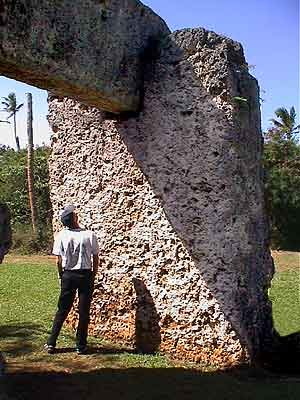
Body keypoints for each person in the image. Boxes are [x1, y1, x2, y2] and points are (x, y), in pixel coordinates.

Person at [45, 205, 99, 355]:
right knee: (84, 312)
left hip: (68, 275)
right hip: (85, 275)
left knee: (62, 309)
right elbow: (95, 257)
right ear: (74, 219)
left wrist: (61, 275)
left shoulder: (61, 236)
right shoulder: (89, 234)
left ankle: (51, 343)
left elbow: (58, 260)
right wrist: (93, 274)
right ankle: (80, 345)